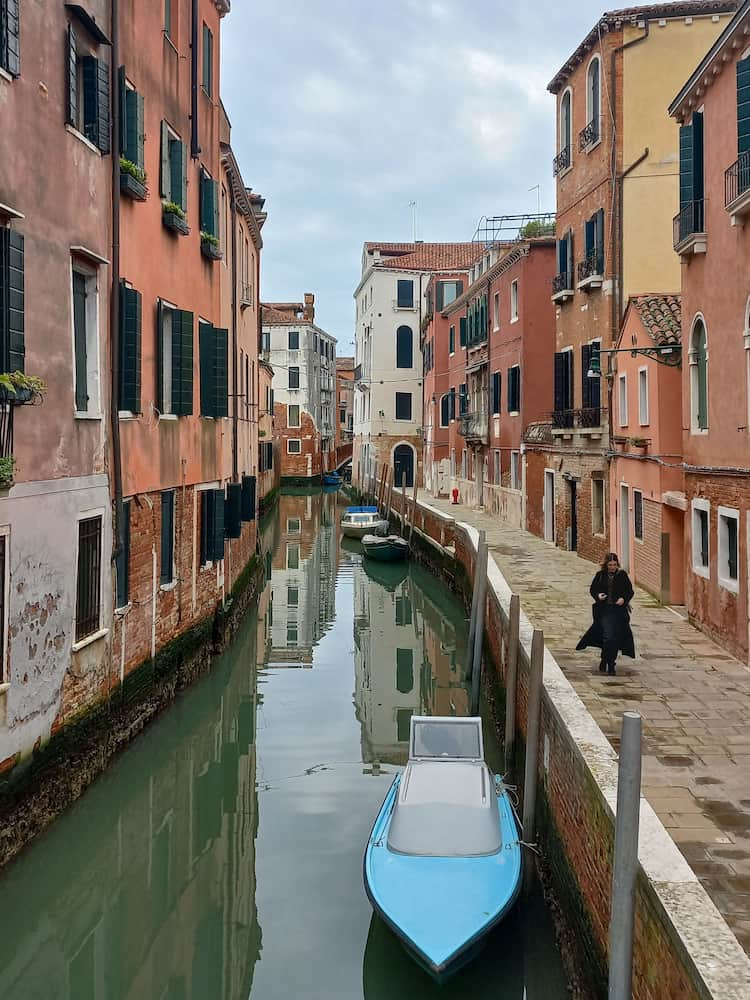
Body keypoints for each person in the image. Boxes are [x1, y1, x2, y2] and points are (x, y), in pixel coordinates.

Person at [576, 552, 635, 676]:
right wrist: (598, 595)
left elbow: (630, 591)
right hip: (604, 611)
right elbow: (593, 589)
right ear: (606, 565)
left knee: (615, 637)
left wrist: (623, 599)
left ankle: (608, 661)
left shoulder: (622, 575)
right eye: (610, 565)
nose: (613, 567)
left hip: (618, 611)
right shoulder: (600, 575)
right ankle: (609, 662)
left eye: (614, 565)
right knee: (608, 636)